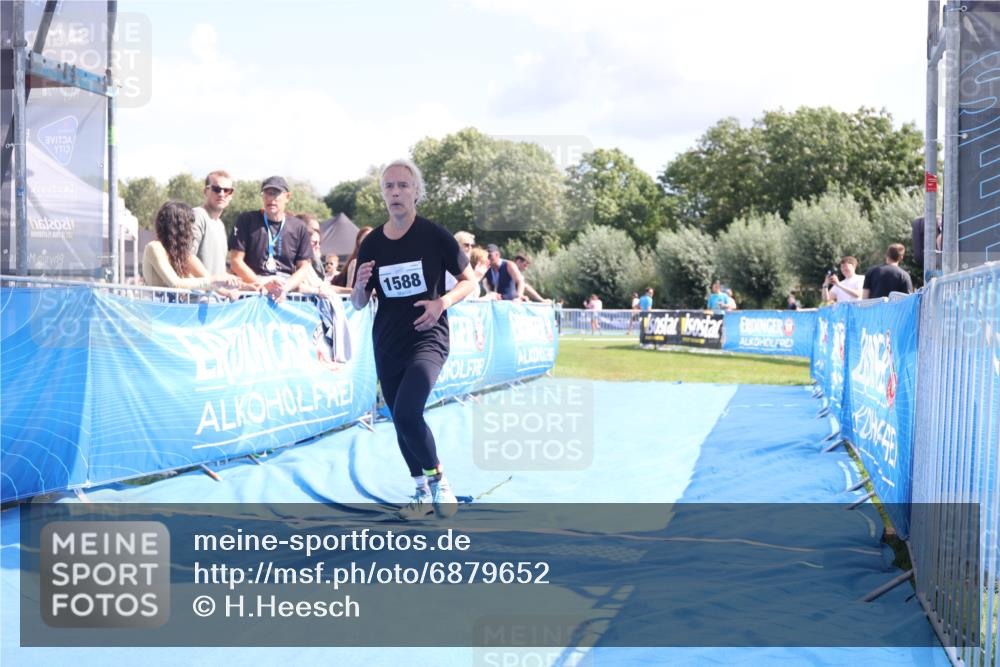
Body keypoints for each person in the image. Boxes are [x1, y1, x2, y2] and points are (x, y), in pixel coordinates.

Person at [352, 158, 478, 520]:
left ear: (416, 192)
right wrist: (358, 287)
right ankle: (421, 491)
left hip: (428, 338)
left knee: (409, 412)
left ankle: (438, 479)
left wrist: (442, 302)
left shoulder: (434, 235)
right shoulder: (373, 242)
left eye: (403, 185)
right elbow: (360, 303)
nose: (395, 192)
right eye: (388, 187)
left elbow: (472, 281)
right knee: (398, 418)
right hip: (387, 342)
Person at [228, 176, 314, 302]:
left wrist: (284, 288)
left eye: (276, 194)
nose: (271, 198)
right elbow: (236, 262)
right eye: (267, 193)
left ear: (287, 197)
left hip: (285, 290)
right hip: (255, 290)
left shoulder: (298, 226)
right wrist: (262, 285)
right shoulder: (247, 220)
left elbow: (304, 267)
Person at [143, 201, 237, 294]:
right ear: (178, 227)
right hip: (156, 308)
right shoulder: (155, 248)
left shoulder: (176, 252)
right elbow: (176, 284)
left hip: (172, 308)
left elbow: (193, 282)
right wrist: (213, 280)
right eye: (188, 225)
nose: (190, 230)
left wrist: (227, 290)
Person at [191, 170, 234, 276]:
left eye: (227, 190)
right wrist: (214, 284)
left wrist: (245, 285)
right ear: (205, 191)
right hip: (197, 292)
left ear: (231, 195)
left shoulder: (220, 225)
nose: (222, 194)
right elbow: (187, 257)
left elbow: (219, 272)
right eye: (217, 189)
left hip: (214, 291)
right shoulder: (197, 215)